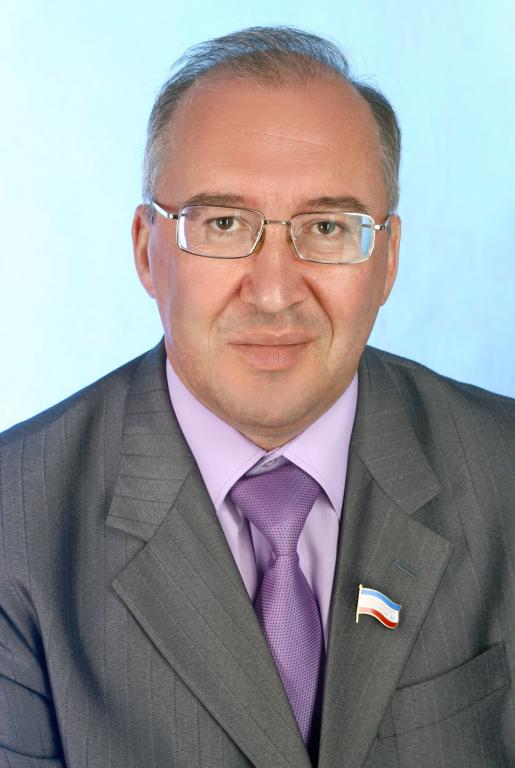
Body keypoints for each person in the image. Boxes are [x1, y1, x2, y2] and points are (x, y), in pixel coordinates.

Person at [0, 25, 513, 768]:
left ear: (388, 259)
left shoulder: (501, 469)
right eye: (223, 223)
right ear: (147, 251)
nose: (274, 293)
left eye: (328, 226)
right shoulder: (14, 522)